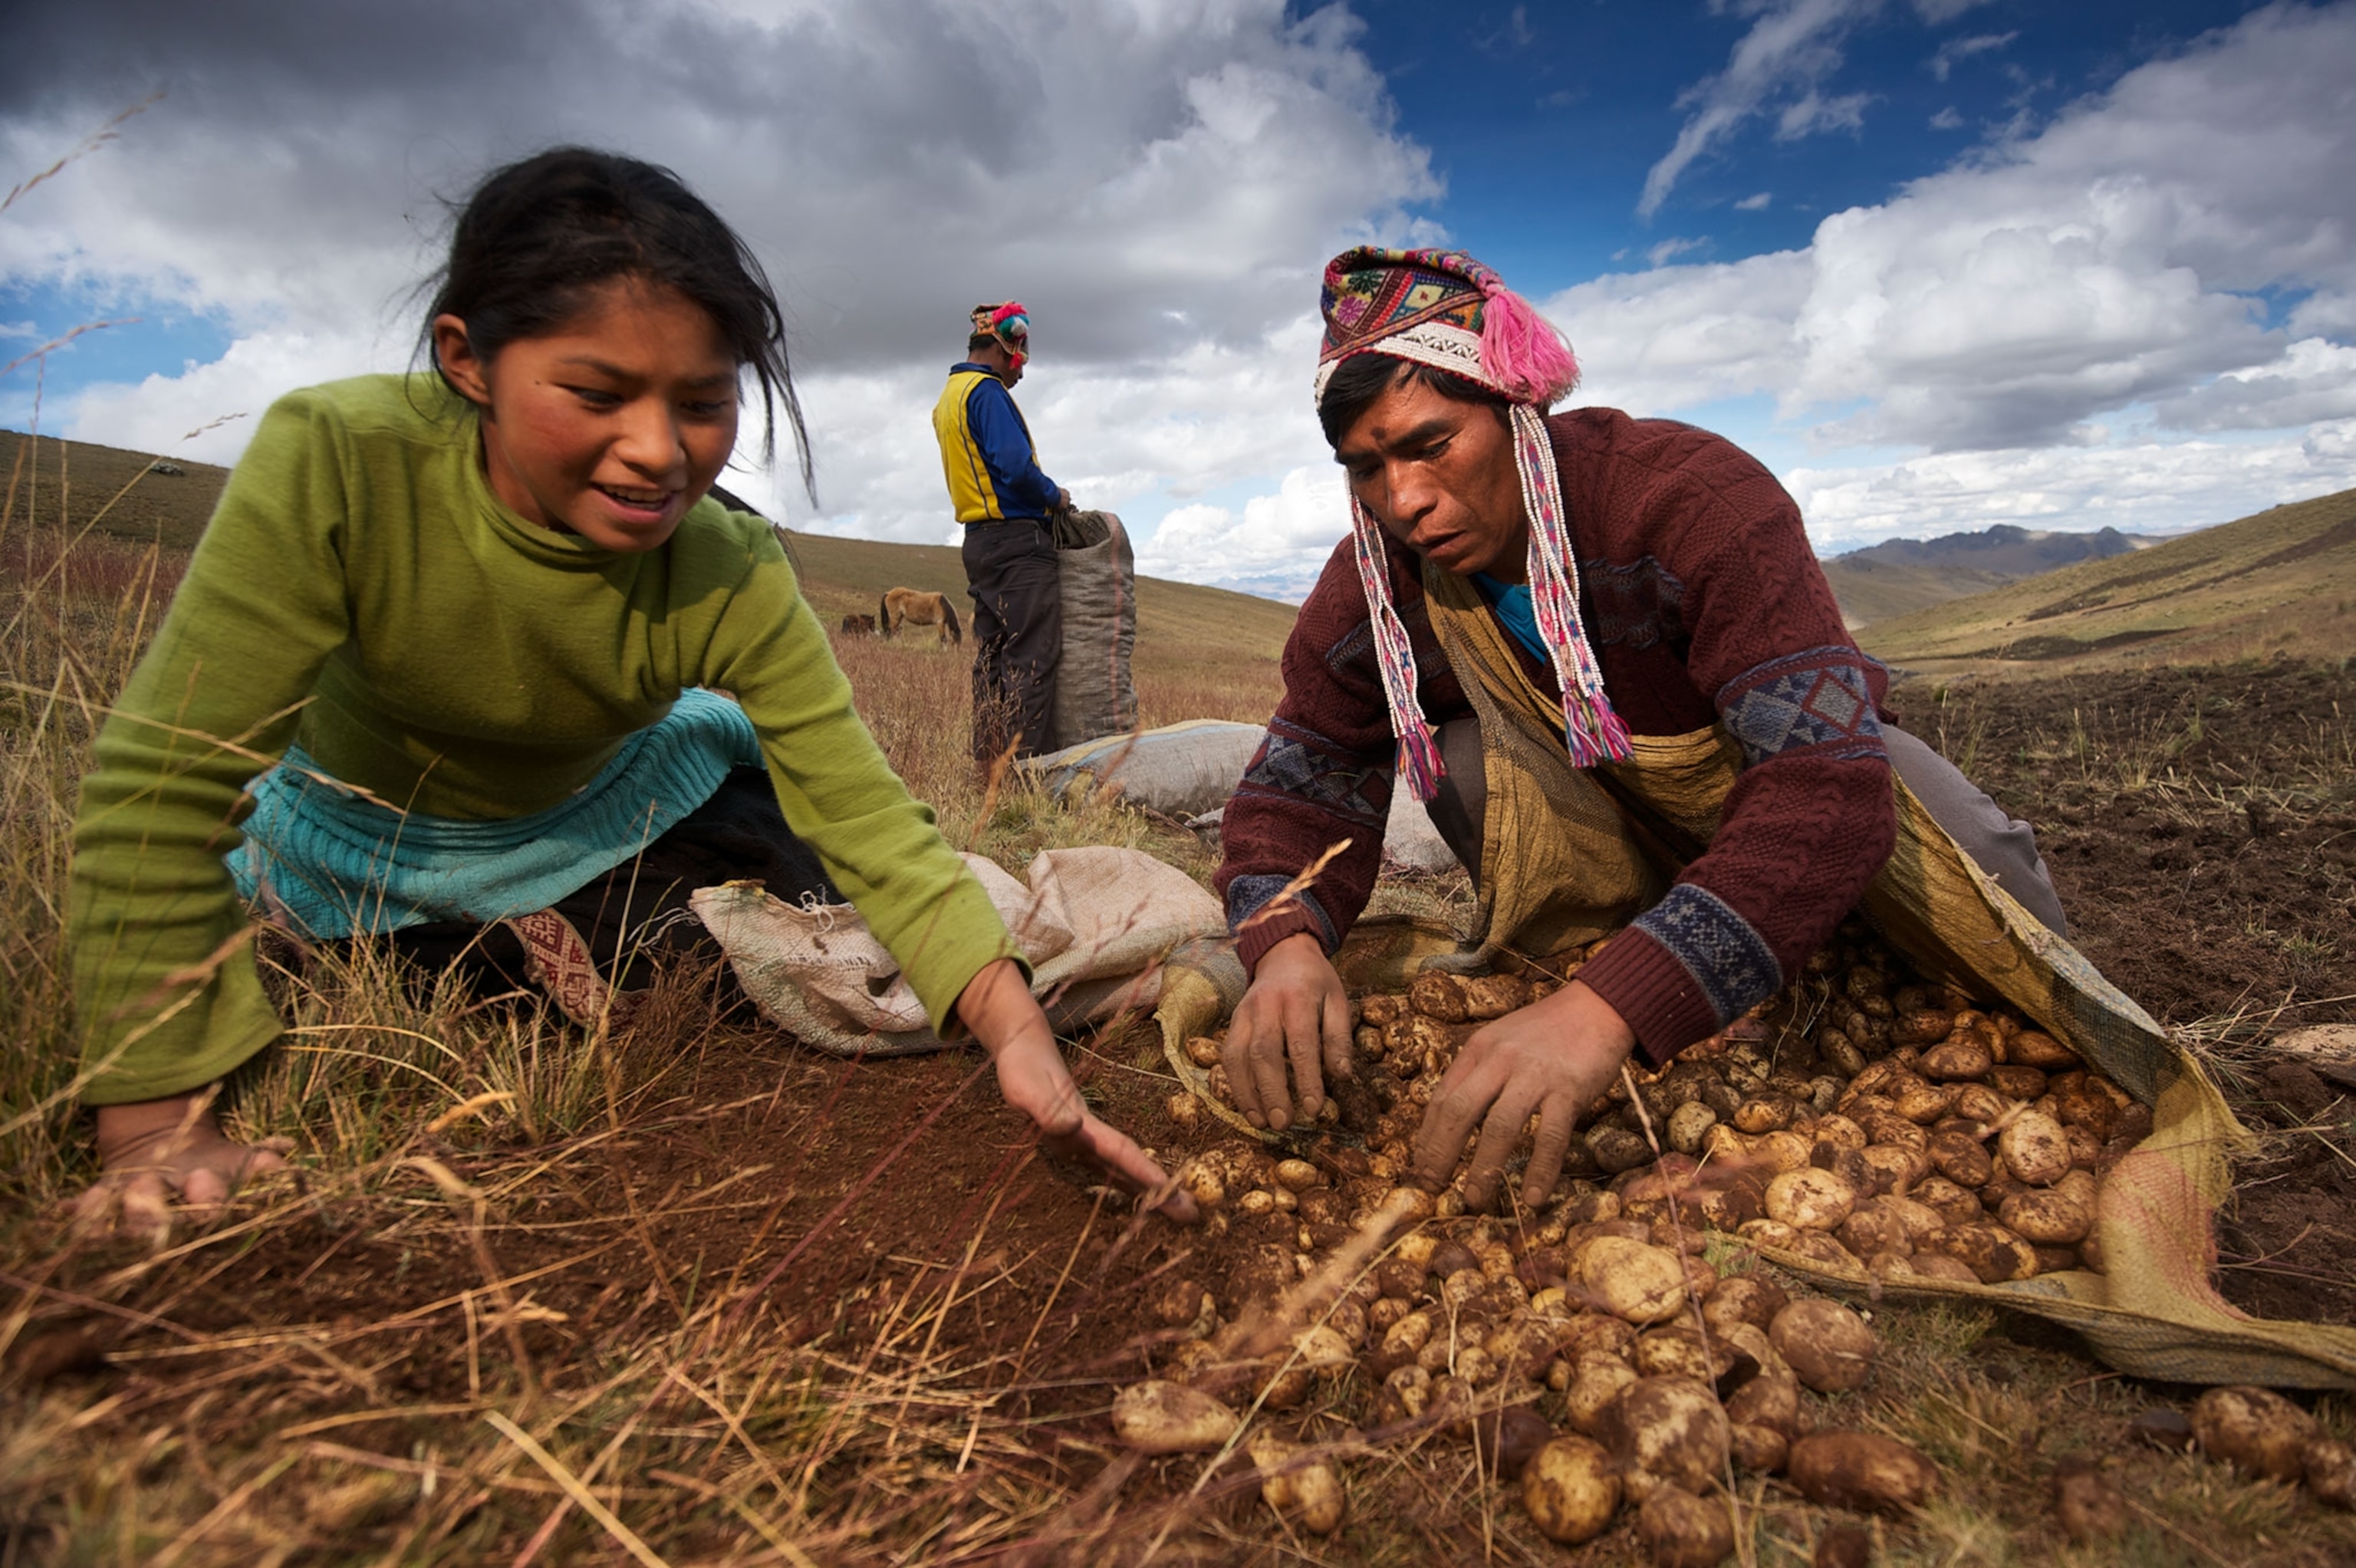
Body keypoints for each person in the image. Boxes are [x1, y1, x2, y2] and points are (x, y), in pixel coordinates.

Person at [66, 147, 1190, 1232]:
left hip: (611, 806)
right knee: (489, 976)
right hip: (365, 837)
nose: (658, 450)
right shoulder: (337, 461)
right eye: (595, 392)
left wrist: (1014, 1030)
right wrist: (150, 1131)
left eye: (703, 403)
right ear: (467, 359)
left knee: (771, 943)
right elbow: (165, 779)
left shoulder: (726, 562)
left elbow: (865, 819)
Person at [1215, 245, 2068, 1214]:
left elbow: (1822, 786)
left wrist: (1605, 1008)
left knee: (1974, 871)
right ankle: (1638, 943)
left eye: (1431, 443)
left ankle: (1701, 957)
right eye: (1366, 468)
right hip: (1617, 824)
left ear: (1514, 406)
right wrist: (1283, 942)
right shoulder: (1376, 580)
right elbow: (1307, 769)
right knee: (1459, 764)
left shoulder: (1688, 498)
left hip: (1784, 790)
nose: (1403, 499)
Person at [933, 301, 1071, 764]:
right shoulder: (987, 392)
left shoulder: (948, 397)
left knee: (992, 657)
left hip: (978, 543)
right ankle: (1023, 770)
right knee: (1033, 654)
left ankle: (987, 761)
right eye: (1021, 358)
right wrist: (1054, 496)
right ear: (1003, 346)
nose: (1022, 372)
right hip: (1016, 543)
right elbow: (1014, 467)